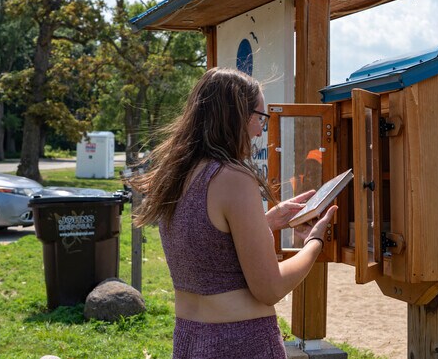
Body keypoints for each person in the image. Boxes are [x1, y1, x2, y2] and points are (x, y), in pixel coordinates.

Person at [129, 68, 335, 358]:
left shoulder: (177, 173)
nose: (261, 130)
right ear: (236, 115)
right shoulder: (233, 177)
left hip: (189, 338)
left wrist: (265, 222)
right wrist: (315, 243)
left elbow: (206, 242)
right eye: (261, 117)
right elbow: (270, 288)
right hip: (240, 342)